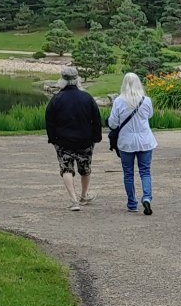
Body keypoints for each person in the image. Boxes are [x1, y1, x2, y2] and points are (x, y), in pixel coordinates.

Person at [45, 65, 103, 210]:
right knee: (85, 168)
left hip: (63, 141)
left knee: (66, 169)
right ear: (77, 79)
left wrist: (52, 139)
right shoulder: (87, 97)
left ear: (62, 80)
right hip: (85, 140)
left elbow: (50, 121)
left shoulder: (56, 99)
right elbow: (96, 119)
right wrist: (96, 137)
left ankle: (73, 200)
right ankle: (83, 195)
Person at [108, 72, 157, 215]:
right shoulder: (146, 100)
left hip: (126, 141)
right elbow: (150, 115)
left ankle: (132, 203)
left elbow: (113, 123)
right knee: (145, 171)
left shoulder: (119, 101)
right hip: (145, 140)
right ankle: (147, 197)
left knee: (128, 173)